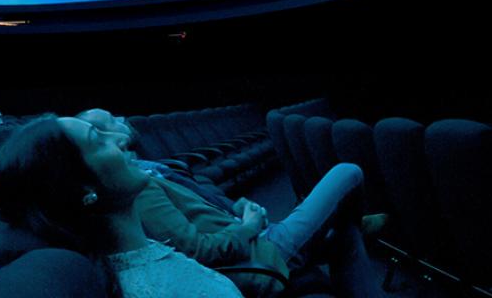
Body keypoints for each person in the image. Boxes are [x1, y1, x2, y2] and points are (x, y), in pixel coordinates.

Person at [78, 109, 384, 297]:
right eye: (101, 132)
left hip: (246, 231)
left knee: (345, 236)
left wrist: (235, 208)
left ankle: (351, 223)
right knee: (348, 172)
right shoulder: (138, 189)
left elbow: (197, 204)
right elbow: (196, 249)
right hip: (259, 248)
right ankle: (354, 220)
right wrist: (248, 228)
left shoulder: (145, 171)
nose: (119, 125)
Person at [0, 117, 242, 298]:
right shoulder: (157, 288)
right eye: (98, 140)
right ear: (83, 189)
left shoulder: (138, 260)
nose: (122, 138)